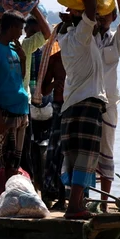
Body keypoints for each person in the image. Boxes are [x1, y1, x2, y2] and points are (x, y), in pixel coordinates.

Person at [58, 0, 108, 220]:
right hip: (88, 103)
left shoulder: (65, 39)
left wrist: (72, 18)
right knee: (85, 158)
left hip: (70, 106)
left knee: (75, 157)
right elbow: (90, 10)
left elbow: (87, 18)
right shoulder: (79, 37)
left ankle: (74, 204)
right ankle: (74, 207)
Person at [0, 10, 30, 211]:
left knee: (13, 161)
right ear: (10, 28)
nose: (21, 32)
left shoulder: (14, 49)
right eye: (19, 28)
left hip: (20, 111)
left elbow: (20, 77)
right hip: (2, 112)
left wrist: (23, 58)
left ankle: (6, 202)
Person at [95, 0, 120, 211]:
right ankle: (81, 199)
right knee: (84, 153)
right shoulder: (86, 35)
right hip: (87, 100)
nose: (100, 18)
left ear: (112, 16)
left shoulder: (115, 40)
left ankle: (104, 204)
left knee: (106, 153)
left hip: (108, 104)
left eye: (104, 14)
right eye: (97, 15)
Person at [18, 7, 51, 183]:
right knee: (19, 150)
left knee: (25, 150)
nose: (33, 37)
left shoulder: (29, 46)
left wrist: (34, 8)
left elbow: (47, 33)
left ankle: (31, 183)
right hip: (17, 104)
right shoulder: (20, 46)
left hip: (30, 102)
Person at [41, 38, 67, 210]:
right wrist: (54, 85)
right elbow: (43, 89)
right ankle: (59, 197)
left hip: (74, 105)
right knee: (56, 154)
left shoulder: (80, 56)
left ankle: (71, 198)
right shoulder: (55, 59)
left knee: (69, 153)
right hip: (59, 107)